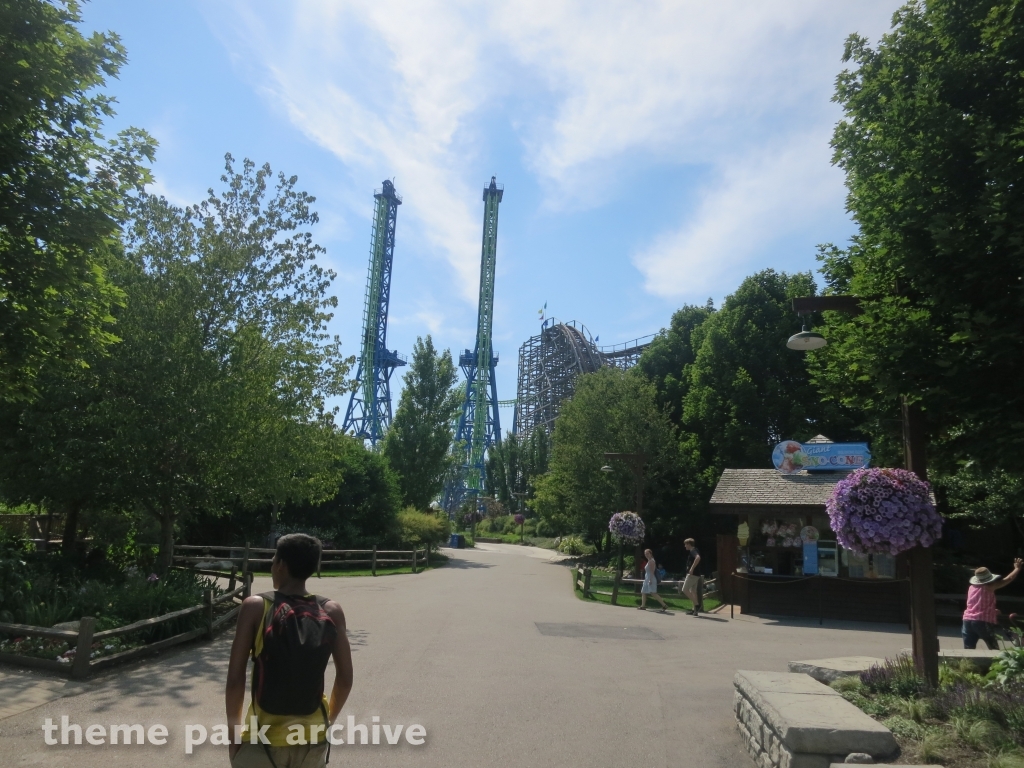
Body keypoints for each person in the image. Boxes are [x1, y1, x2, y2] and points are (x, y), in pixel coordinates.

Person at [226, 533, 354, 768]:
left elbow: (235, 680)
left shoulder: (256, 607)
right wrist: (328, 722)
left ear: (281, 565)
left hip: (261, 741)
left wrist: (233, 736)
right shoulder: (331, 610)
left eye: (274, 559)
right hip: (313, 741)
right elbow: (345, 679)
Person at [963, 558, 1023, 650]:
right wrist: (1017, 568)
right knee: (993, 649)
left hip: (967, 620)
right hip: (982, 621)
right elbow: (1008, 579)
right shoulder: (989, 587)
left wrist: (992, 610)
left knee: (968, 649)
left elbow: (976, 603)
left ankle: (968, 663)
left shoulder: (972, 587)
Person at [683, 538, 702, 616]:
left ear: (689, 544)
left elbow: (698, 558)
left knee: (684, 589)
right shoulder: (695, 550)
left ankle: (697, 605)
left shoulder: (693, 551)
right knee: (693, 592)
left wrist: (692, 568)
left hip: (693, 574)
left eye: (685, 544)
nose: (685, 546)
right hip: (696, 574)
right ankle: (694, 610)